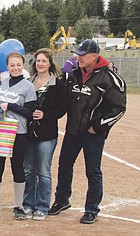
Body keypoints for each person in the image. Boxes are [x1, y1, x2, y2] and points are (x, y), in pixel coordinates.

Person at [48, 39, 126, 224]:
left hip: (93, 134)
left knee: (93, 171)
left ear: (94, 56)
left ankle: (92, 209)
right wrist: (62, 77)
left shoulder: (109, 78)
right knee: (64, 165)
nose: (78, 58)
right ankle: (62, 200)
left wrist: (97, 127)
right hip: (72, 130)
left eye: (82, 55)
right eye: (77, 55)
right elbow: (62, 97)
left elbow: (119, 108)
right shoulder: (74, 74)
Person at [0, 52, 37, 221]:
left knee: (18, 167)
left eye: (18, 65)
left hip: (19, 132)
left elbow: (30, 113)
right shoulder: (2, 83)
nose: (15, 68)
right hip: (1, 131)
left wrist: (10, 106)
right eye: (12, 65)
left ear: (22, 66)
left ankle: (19, 206)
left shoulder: (28, 86)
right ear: (7, 66)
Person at [23, 48, 68, 221]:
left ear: (50, 63)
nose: (40, 64)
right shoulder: (28, 82)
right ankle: (28, 204)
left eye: (44, 61)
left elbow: (62, 108)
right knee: (28, 171)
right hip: (29, 133)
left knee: (43, 171)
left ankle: (42, 206)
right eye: (38, 61)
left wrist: (46, 115)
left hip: (47, 134)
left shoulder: (58, 83)